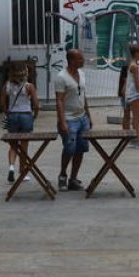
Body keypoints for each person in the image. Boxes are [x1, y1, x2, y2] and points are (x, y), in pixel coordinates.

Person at [55, 48, 91, 192]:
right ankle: (63, 174)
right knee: (69, 148)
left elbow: (83, 95)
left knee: (81, 148)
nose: (82, 61)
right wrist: (62, 121)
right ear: (71, 60)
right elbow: (59, 100)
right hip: (69, 119)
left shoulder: (81, 74)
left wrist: (88, 114)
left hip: (82, 117)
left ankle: (73, 178)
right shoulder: (61, 77)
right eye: (80, 58)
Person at [0, 63, 39, 183]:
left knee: (13, 145)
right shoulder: (29, 87)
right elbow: (36, 105)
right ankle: (22, 171)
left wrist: (8, 112)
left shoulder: (6, 86)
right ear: (25, 73)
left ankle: (11, 166)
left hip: (13, 115)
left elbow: (2, 104)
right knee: (24, 146)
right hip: (26, 115)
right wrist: (34, 116)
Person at [118, 45, 139, 150]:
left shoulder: (134, 65)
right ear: (136, 53)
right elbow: (137, 84)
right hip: (135, 95)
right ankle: (138, 141)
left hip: (135, 94)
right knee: (136, 118)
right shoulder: (134, 66)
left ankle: (133, 135)